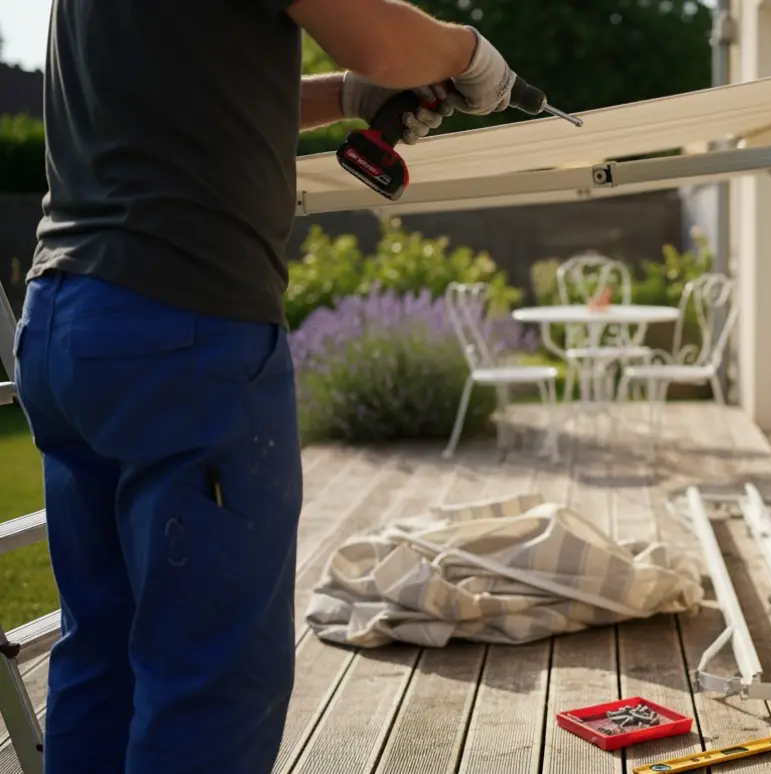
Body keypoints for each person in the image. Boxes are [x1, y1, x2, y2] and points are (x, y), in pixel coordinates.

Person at [11, 0, 521, 771]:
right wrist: (470, 55)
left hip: (67, 320)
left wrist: (348, 99)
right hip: (181, 326)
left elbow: (198, 103)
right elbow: (383, 42)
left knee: (102, 654)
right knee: (211, 680)